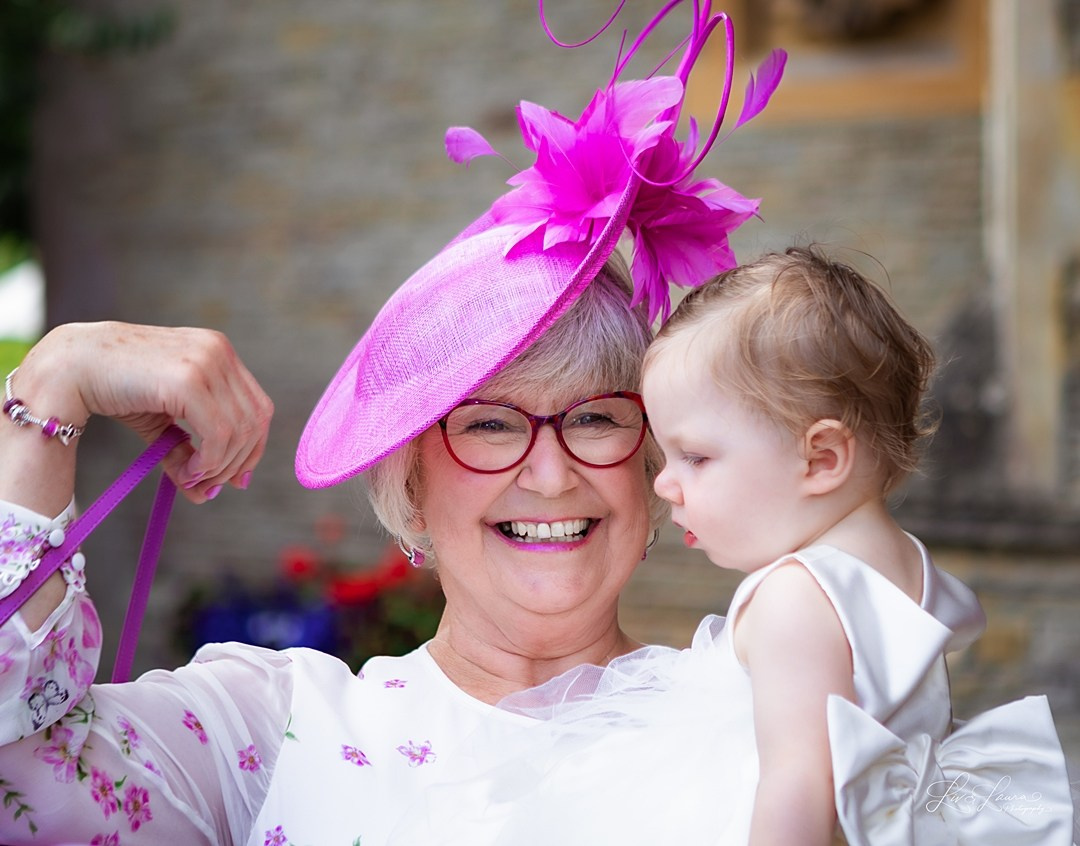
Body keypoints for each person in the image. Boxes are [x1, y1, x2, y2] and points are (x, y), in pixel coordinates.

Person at [0, 3, 787, 844]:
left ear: (653, 469)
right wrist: (53, 382)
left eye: (595, 417)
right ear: (407, 481)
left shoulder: (770, 717)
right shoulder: (269, 732)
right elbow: (22, 768)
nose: (552, 473)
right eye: (488, 425)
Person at [404, 246, 1075, 845]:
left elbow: (798, 787)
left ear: (820, 458)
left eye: (695, 458)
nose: (664, 481)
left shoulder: (795, 598)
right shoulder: (905, 569)